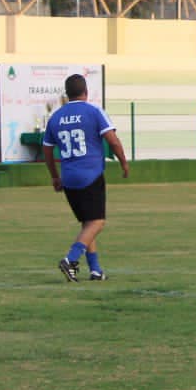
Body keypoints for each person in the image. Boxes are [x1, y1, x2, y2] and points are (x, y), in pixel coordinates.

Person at [42, 73, 129, 282]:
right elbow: (113, 140)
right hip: (90, 174)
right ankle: (70, 259)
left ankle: (95, 270)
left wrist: (55, 177)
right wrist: (124, 162)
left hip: (68, 177)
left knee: (87, 224)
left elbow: (47, 150)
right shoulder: (94, 111)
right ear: (86, 92)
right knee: (97, 222)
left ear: (67, 94)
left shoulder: (56, 117)